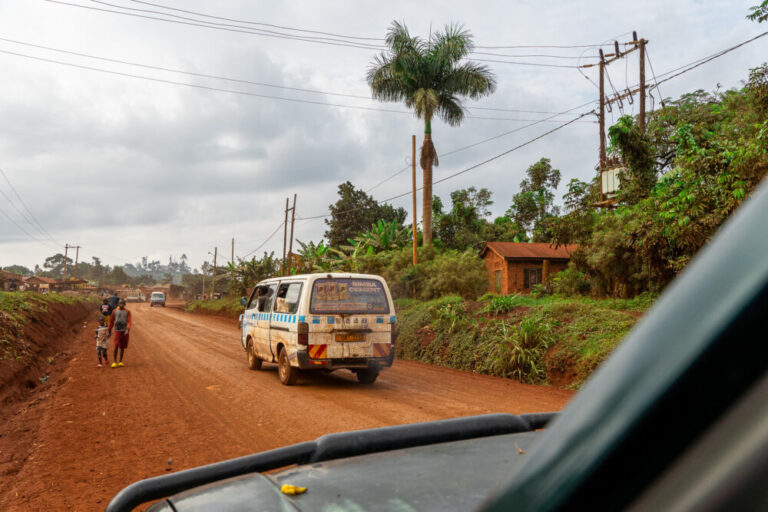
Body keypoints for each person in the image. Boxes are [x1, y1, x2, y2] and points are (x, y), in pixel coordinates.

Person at [108, 299, 132, 368]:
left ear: (125, 304)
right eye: (120, 303)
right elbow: (111, 322)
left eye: (123, 303)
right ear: (118, 304)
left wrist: (128, 328)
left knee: (122, 346)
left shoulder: (127, 312)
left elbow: (129, 321)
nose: (121, 304)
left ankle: (120, 361)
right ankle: (115, 361)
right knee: (116, 345)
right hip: (117, 330)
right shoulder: (114, 311)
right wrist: (109, 330)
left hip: (124, 331)